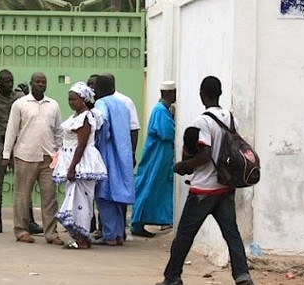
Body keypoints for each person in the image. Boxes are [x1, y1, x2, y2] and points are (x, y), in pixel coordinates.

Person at [156, 76, 254, 285]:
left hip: (203, 189)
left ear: (202, 94)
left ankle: (172, 277)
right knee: (232, 234)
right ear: (219, 93)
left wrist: (182, 166)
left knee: (184, 235)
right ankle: (243, 276)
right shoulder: (231, 118)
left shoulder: (203, 121)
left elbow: (204, 155)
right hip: (225, 186)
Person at [2, 72, 63, 245]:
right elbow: (11, 130)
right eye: (37, 81)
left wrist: (59, 153)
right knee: (22, 196)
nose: (40, 84)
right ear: (31, 83)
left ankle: (51, 233)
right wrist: (6, 155)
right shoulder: (20, 104)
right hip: (25, 156)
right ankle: (21, 231)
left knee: (50, 197)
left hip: (48, 158)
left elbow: (58, 131)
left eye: (43, 82)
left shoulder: (53, 105)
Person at [0, 69, 43, 235]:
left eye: (11, 81)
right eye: (6, 82)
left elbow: (32, 111)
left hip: (18, 144)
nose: (10, 84)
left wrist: (27, 94)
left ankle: (29, 221)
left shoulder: (19, 96)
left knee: (24, 182)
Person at [51, 82, 107, 249]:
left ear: (83, 99)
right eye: (69, 99)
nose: (71, 102)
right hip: (73, 161)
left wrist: (72, 167)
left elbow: (81, 145)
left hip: (81, 163)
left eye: (74, 99)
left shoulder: (85, 118)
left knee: (80, 200)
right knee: (75, 199)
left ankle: (82, 238)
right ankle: (79, 236)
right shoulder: (75, 117)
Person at [93, 74, 135, 246]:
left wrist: (97, 139)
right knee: (116, 196)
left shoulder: (102, 103)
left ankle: (110, 235)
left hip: (107, 153)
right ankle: (118, 234)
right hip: (122, 155)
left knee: (104, 195)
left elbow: (102, 121)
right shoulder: (123, 104)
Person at [131, 81, 177, 238]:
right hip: (156, 156)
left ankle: (154, 219)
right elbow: (166, 132)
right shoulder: (160, 111)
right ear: (170, 93)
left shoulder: (163, 110)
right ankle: (137, 223)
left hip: (161, 156)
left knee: (157, 188)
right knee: (148, 186)